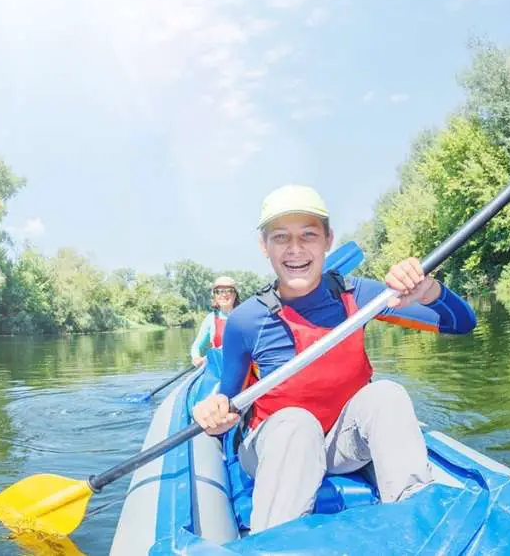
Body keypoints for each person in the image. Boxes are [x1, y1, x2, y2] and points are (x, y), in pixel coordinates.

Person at [191, 184, 478, 533]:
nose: (295, 249)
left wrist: (429, 291)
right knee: (297, 424)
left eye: (308, 235)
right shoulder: (246, 320)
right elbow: (229, 399)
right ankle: (275, 542)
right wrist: (215, 409)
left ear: (328, 240)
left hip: (341, 444)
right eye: (281, 238)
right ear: (264, 246)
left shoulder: (358, 295)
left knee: (386, 394)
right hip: (277, 445)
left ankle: (415, 523)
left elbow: (462, 324)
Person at [190, 276, 240, 367]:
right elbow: (197, 345)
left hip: (241, 367)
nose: (224, 295)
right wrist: (196, 358)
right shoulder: (210, 319)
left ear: (235, 294)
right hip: (219, 368)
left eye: (229, 290)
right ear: (214, 296)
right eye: (219, 291)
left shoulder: (244, 316)